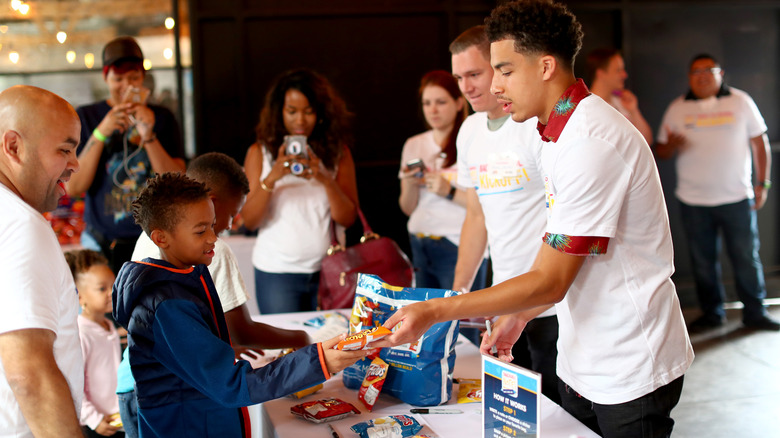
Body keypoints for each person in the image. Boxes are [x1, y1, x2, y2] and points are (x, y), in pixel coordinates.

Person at [376, 2, 694, 437]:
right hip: (583, 350)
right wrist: (522, 315)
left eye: (505, 70)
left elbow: (550, 278)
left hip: (629, 360)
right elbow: (561, 252)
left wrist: (436, 309)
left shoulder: (589, 140)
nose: (494, 83)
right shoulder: (555, 132)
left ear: (545, 66)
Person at [113, 172, 366, 437]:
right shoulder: (168, 306)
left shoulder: (186, 275)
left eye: (213, 225)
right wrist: (318, 361)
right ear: (161, 238)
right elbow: (231, 385)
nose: (213, 238)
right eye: (201, 231)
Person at [448, 25, 560, 404]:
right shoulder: (469, 131)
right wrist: (459, 290)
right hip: (503, 297)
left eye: (475, 74)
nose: (467, 86)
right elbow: (476, 217)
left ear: (499, 69)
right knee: (516, 410)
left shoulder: (535, 126)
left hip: (552, 300)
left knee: (562, 411)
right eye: (459, 77)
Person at [655, 54, 779, 332]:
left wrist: (763, 183)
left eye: (708, 70)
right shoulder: (678, 108)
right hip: (693, 200)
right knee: (702, 262)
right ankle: (712, 313)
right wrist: (671, 145)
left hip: (737, 198)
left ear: (720, 73)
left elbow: (760, 144)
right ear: (689, 77)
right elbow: (660, 151)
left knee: (746, 257)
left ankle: (755, 313)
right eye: (695, 71)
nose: (701, 76)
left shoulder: (741, 101)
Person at [0, 85, 84, 437]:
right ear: (14, 147)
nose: (74, 165)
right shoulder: (21, 225)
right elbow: (29, 373)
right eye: (64, 149)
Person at [241, 69, 358, 314]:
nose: (300, 121)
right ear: (278, 111)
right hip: (276, 273)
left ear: (321, 112)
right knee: (285, 349)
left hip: (328, 270)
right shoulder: (259, 152)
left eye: (308, 111)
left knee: (327, 344)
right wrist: (273, 176)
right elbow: (250, 220)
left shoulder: (338, 153)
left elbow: (347, 218)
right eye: (291, 111)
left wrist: (325, 179)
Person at [66, 36, 185, 274]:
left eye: (133, 78)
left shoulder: (162, 117)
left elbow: (178, 183)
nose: (126, 86)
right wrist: (101, 132)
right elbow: (74, 186)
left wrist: (149, 135)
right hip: (101, 243)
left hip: (156, 242)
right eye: (118, 78)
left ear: (143, 77)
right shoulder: (87, 117)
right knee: (100, 309)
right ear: (106, 77)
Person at [398, 70, 488, 290]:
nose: (433, 110)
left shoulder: (474, 140)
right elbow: (407, 208)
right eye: (427, 103)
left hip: (458, 244)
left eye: (440, 102)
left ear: (459, 103)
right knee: (425, 320)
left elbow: (487, 204)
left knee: (461, 319)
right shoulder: (414, 144)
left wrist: (448, 190)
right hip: (420, 243)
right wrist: (410, 184)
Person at [65, 250, 124, 438]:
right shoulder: (81, 333)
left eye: (113, 286)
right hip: (99, 424)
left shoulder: (108, 326)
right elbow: (74, 384)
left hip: (117, 419)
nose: (111, 293)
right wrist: (94, 419)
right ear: (80, 296)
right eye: (102, 288)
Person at [586, 48, 653, 145]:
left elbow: (647, 141)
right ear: (600, 73)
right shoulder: (585, 106)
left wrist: (634, 111)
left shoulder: (622, 102)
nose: (625, 75)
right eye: (618, 70)